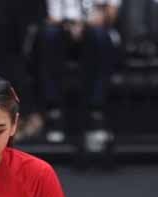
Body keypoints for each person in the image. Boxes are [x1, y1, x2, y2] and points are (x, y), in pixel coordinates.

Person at [39, 0, 121, 145]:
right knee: (49, 35)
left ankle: (96, 110)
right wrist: (71, 27)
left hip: (95, 32)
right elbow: (53, 17)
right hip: (64, 31)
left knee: (99, 37)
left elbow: (110, 16)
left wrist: (87, 24)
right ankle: (54, 110)